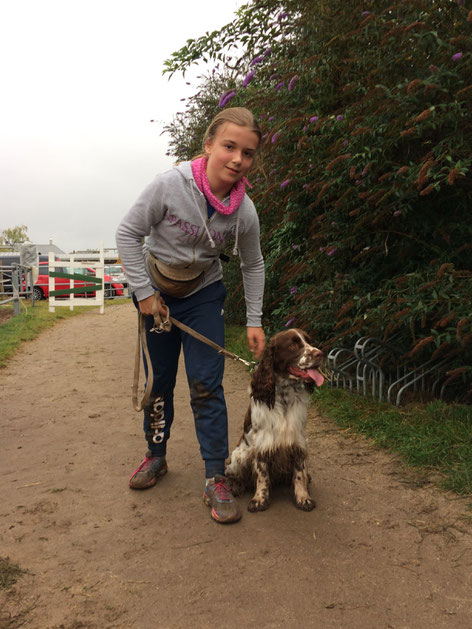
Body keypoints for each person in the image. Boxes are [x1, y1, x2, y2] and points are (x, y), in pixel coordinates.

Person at [116, 107, 266, 524]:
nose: (238, 159)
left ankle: (215, 476)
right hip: (157, 294)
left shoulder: (244, 211)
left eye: (248, 153)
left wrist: (254, 320)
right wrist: (145, 294)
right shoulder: (169, 185)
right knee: (160, 381)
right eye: (229, 147)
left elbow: (253, 265)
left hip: (202, 294)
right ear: (209, 146)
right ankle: (156, 455)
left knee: (206, 383)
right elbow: (127, 233)